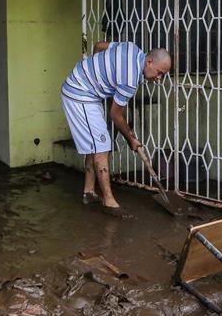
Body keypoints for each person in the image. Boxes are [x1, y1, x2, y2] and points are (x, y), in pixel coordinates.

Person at [61, 41, 171, 209]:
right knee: (102, 146)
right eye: (159, 72)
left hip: (86, 90)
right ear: (149, 62)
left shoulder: (131, 48)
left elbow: (99, 46)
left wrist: (95, 71)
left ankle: (89, 192)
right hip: (80, 93)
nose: (159, 78)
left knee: (95, 143)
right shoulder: (130, 81)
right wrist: (131, 138)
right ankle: (108, 200)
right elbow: (115, 115)